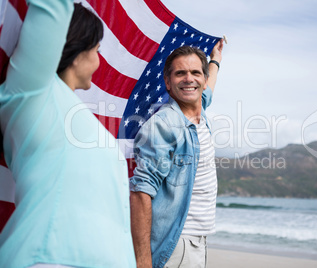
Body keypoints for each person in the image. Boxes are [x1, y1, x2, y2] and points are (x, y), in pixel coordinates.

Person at [0, 1, 136, 267]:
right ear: (76, 50)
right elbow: (53, 7)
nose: (99, 61)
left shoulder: (73, 111)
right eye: (97, 49)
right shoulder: (32, 93)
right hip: (49, 258)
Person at [130, 40, 224, 268]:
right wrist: (143, 262)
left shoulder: (198, 108)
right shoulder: (164, 125)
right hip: (177, 245)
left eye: (195, 73)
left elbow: (207, 91)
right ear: (168, 82)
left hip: (197, 243)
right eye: (180, 73)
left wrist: (216, 60)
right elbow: (140, 192)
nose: (189, 79)